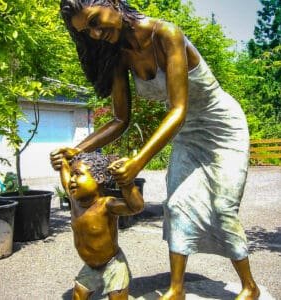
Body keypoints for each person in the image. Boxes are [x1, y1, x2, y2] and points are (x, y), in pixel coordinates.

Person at [50, 0, 260, 299]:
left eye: (95, 21)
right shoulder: (120, 55)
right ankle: (176, 288)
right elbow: (121, 119)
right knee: (176, 207)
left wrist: (138, 162)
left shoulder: (166, 34)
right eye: (87, 32)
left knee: (222, 207)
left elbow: (178, 108)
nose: (95, 34)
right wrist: (76, 149)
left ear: (112, 3)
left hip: (221, 127)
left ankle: (249, 286)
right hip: (186, 131)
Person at [59, 152, 144, 299]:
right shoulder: (75, 201)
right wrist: (63, 156)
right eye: (72, 175)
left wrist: (126, 182)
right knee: (78, 295)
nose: (72, 180)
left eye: (78, 174)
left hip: (113, 264)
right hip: (91, 266)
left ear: (99, 178)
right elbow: (64, 171)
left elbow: (136, 207)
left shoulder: (107, 205)